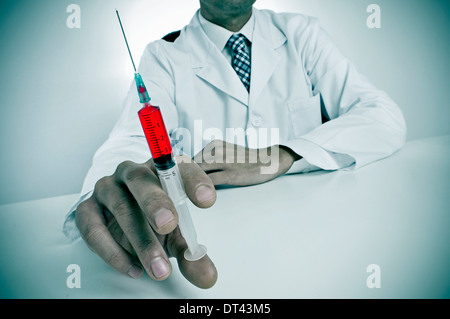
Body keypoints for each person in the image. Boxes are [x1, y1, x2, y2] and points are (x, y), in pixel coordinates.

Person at [63, 0, 406, 289]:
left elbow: (382, 116)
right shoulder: (163, 55)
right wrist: (111, 193)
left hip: (314, 238)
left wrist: (281, 154)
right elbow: (130, 140)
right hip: (221, 238)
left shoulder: (301, 33)